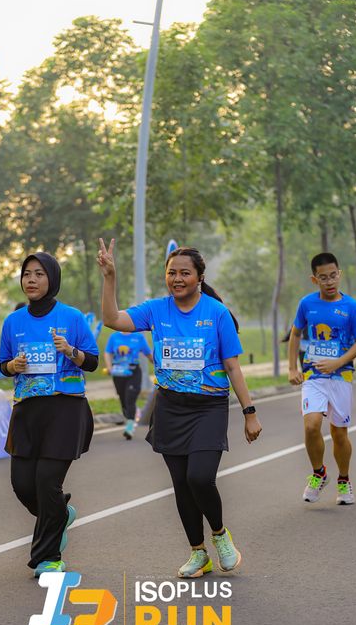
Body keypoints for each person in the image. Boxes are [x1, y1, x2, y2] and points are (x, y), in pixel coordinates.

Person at [97, 239, 262, 578]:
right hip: (170, 408)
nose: (177, 279)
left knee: (199, 477)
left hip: (208, 407)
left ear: (199, 277)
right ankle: (198, 553)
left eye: (185, 273)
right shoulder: (157, 310)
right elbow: (112, 319)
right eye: (172, 273)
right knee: (182, 484)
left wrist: (250, 413)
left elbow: (233, 367)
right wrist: (110, 277)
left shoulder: (216, 313)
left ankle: (220, 535)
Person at [0, 252, 99, 576]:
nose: (31, 279)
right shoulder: (13, 322)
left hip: (65, 410)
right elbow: (3, 365)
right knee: (22, 485)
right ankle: (60, 514)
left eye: (39, 274)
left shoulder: (72, 317)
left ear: (52, 279)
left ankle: (49, 557)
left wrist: (70, 351)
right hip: (27, 411)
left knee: (46, 482)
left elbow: (93, 362)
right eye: (27, 273)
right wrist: (12, 366)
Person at [288, 253, 356, 506]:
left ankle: (344, 479)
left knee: (339, 433)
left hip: (341, 376)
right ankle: (319, 473)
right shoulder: (306, 304)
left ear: (339, 274)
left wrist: (338, 362)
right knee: (311, 426)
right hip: (313, 375)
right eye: (323, 277)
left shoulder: (351, 307)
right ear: (315, 279)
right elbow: (295, 334)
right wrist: (292, 368)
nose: (329, 281)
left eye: (333, 275)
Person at [104, 330, 153, 439]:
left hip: (133, 372)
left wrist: (159, 364)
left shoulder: (139, 337)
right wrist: (109, 367)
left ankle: (129, 428)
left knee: (130, 397)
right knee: (123, 399)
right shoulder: (114, 337)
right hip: (118, 373)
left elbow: (148, 354)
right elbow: (108, 352)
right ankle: (133, 413)